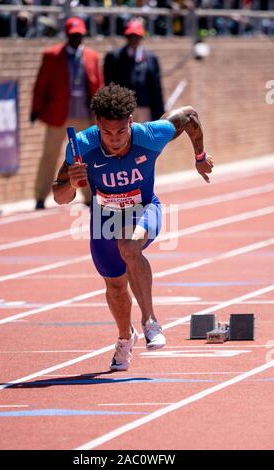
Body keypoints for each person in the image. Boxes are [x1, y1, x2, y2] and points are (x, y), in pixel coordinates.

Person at [52, 83, 213, 371]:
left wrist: (200, 158)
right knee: (114, 285)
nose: (114, 140)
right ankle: (125, 337)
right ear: (97, 125)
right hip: (105, 217)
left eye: (121, 132)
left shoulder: (150, 135)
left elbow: (189, 117)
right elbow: (60, 197)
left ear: (130, 122)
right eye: (106, 133)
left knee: (129, 245)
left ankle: (150, 320)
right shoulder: (82, 147)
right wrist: (71, 181)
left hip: (144, 208)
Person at [30, 16, 103, 209]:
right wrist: (35, 109)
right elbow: (41, 84)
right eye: (73, 35)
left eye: (79, 35)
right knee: (50, 156)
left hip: (84, 116)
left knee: (88, 157)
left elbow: (99, 85)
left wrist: (102, 112)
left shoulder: (92, 57)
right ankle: (40, 195)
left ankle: (89, 196)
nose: (76, 38)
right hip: (58, 116)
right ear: (67, 35)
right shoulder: (52, 55)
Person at [104, 18, 165, 122]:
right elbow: (108, 83)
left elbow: (156, 87)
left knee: (144, 136)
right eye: (131, 36)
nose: (134, 39)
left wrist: (160, 112)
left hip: (144, 107)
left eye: (136, 36)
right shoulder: (114, 57)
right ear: (126, 37)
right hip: (123, 109)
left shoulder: (150, 58)